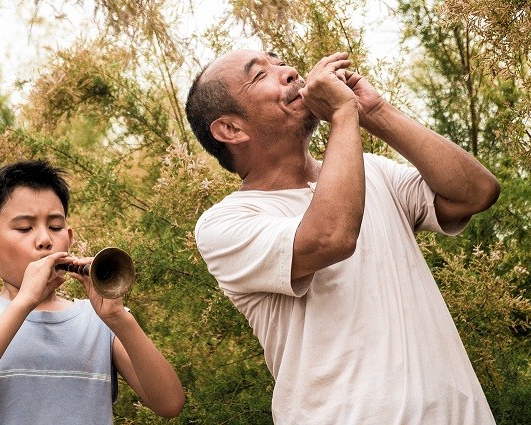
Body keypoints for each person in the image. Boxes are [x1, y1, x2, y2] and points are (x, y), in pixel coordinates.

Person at [186, 49, 500, 424]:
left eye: (280, 61)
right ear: (231, 130)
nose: (288, 72)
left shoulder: (372, 172)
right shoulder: (224, 224)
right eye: (260, 75)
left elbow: (476, 193)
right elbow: (331, 237)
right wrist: (342, 115)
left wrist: (375, 112)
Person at [0, 160, 185, 424]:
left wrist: (118, 317)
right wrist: (24, 303)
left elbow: (169, 404)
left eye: (55, 227)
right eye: (24, 228)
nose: (45, 240)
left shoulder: (99, 319)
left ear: (69, 238)